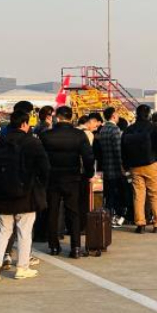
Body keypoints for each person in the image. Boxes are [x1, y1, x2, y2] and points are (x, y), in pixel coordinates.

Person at [0, 112, 50, 281]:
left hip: (1, 194)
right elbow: (45, 168)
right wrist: (40, 185)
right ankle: (22, 267)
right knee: (24, 232)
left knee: (2, 230)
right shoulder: (32, 142)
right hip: (26, 194)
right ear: (24, 124)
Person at [39, 105, 94, 258]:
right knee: (73, 212)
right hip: (73, 177)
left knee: (52, 212)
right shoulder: (79, 135)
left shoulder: (46, 135)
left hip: (52, 178)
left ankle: (53, 246)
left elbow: (40, 159)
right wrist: (89, 173)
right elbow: (88, 157)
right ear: (71, 117)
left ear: (57, 117)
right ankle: (75, 247)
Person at [122, 105, 157, 233]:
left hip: (135, 166)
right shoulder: (153, 128)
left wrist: (126, 166)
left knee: (138, 196)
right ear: (148, 115)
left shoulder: (129, 129)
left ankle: (140, 224)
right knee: (155, 195)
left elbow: (123, 149)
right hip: (151, 164)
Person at [93, 107, 127, 226]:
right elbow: (118, 150)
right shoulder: (115, 130)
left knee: (108, 194)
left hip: (105, 166)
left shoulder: (102, 130)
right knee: (117, 194)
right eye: (117, 114)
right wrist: (122, 166)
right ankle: (115, 217)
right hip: (116, 168)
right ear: (113, 116)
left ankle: (108, 216)